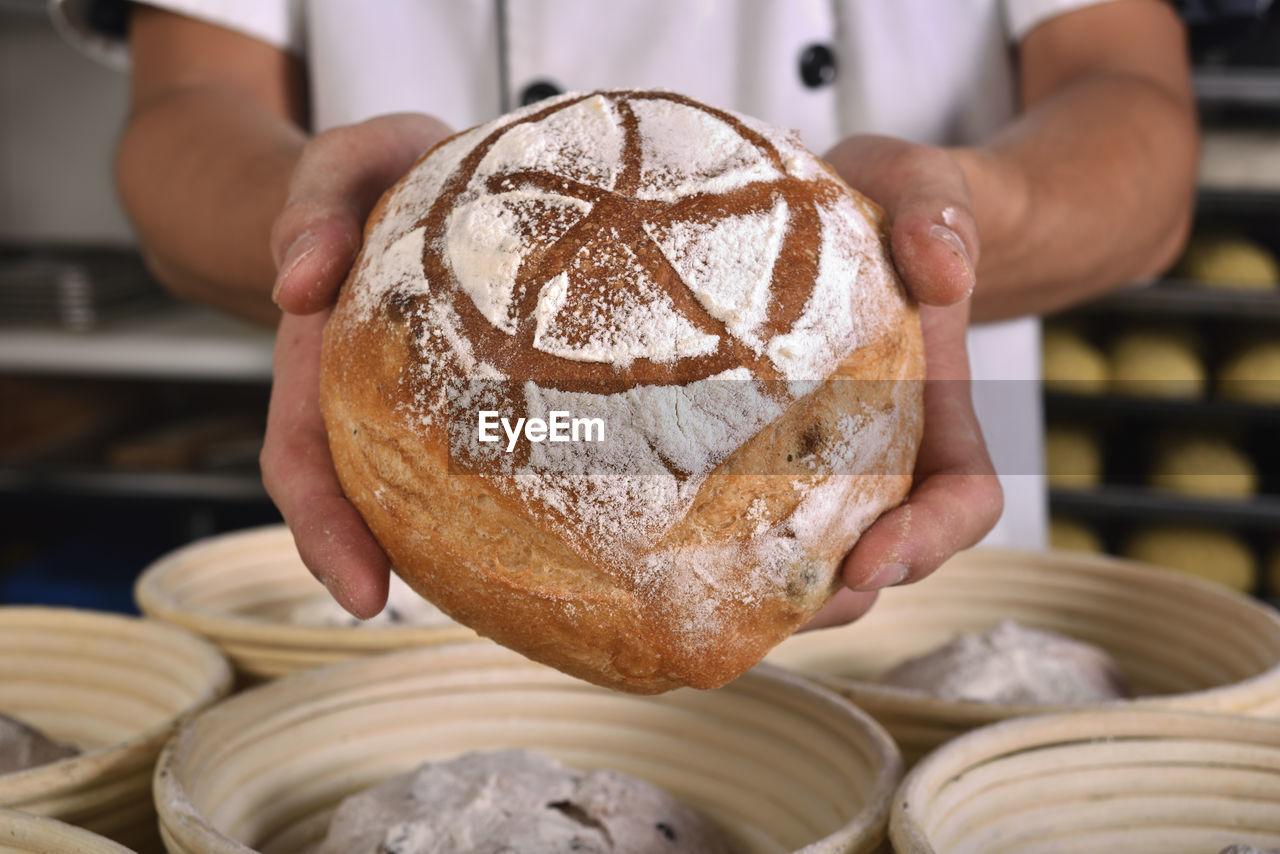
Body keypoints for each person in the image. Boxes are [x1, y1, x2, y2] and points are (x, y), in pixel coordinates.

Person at [53, 0, 1197, 626]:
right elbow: (188, 108)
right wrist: (334, 229)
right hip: (424, 573)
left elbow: (1131, 103)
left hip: (899, 534)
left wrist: (955, 219)